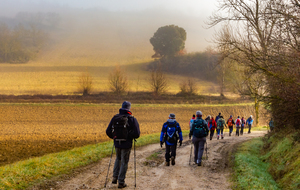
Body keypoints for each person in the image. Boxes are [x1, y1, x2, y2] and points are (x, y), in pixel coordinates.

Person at [106, 101, 140, 188]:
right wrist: (129, 136)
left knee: (118, 158)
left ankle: (115, 177)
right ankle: (121, 182)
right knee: (124, 162)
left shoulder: (115, 118)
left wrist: (114, 137)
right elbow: (137, 134)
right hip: (126, 144)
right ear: (129, 108)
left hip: (117, 143)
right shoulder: (132, 119)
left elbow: (108, 131)